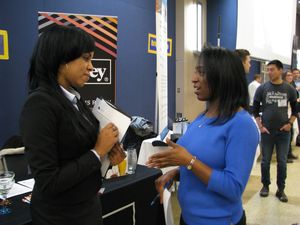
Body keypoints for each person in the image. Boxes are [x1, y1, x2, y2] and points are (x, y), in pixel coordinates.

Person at [20, 25, 125, 225]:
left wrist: (109, 156)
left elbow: (80, 153)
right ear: (60, 60)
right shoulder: (39, 105)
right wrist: (98, 152)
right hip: (60, 217)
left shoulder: (75, 99)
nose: (91, 67)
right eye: (85, 58)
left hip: (86, 209)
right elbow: (48, 181)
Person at [147, 46, 259, 225]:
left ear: (222, 77)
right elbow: (206, 164)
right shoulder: (203, 116)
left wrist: (188, 161)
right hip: (188, 218)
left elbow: (233, 187)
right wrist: (176, 173)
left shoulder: (241, 124)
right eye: (195, 72)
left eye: (202, 73)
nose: (193, 79)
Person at [253, 60, 297, 203]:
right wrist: (260, 126)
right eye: (268, 69)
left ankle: (281, 189)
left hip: (283, 132)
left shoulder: (289, 89)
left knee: (282, 162)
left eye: (272, 69)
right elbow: (254, 109)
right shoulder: (262, 88)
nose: (269, 72)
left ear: (280, 70)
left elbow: (296, 109)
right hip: (267, 132)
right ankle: (265, 186)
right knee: (265, 162)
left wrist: (290, 123)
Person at [282, 71, 299, 162]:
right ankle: (285, 155)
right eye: (288, 75)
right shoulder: (283, 87)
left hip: (292, 113)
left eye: (291, 75)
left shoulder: (291, 86)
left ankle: (289, 153)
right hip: (285, 113)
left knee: (291, 134)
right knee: (287, 135)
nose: (290, 76)